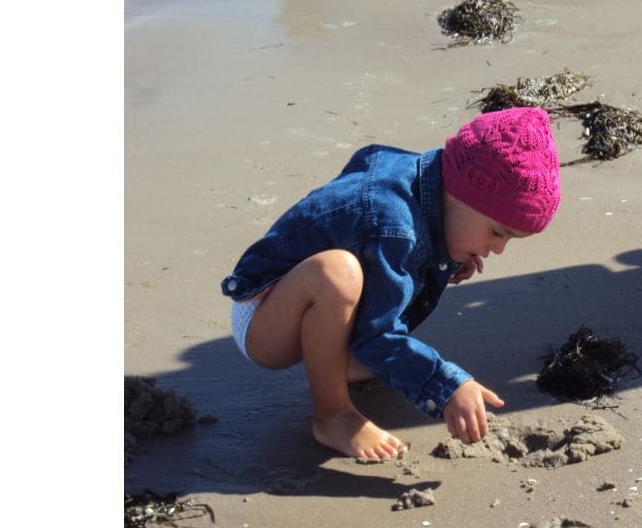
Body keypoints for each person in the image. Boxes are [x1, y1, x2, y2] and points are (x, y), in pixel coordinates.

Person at [221, 106, 561, 462]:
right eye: (496, 232)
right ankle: (333, 415)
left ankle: (336, 355)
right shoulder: (392, 223)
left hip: (310, 307)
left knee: (373, 319)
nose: (498, 249)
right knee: (337, 274)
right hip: (263, 316)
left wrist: (445, 256)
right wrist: (446, 387)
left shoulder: (425, 179)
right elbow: (376, 330)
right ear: (458, 194)